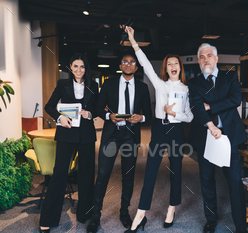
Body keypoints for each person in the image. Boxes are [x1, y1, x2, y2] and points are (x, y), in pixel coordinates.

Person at [124, 26, 193, 233]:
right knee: (151, 171)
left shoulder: (186, 90)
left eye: (176, 63)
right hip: (159, 129)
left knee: (176, 170)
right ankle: (141, 213)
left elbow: (190, 116)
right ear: (166, 67)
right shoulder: (160, 84)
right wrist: (133, 40)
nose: (173, 66)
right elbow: (144, 63)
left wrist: (174, 114)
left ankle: (172, 208)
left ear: (180, 67)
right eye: (169, 63)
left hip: (176, 130)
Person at [86, 53, 152, 233]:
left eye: (132, 62)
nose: (129, 64)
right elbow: (98, 108)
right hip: (111, 135)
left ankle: (124, 212)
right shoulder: (109, 84)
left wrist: (141, 117)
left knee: (128, 177)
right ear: (120, 66)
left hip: (131, 136)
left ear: (136, 67)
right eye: (125, 62)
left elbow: (149, 113)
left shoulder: (143, 87)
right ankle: (95, 216)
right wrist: (109, 116)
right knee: (103, 176)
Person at [188, 43, 248, 233]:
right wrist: (211, 125)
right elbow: (197, 107)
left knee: (234, 181)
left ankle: (240, 225)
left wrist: (211, 106)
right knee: (207, 181)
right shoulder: (194, 83)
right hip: (206, 137)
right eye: (202, 57)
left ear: (216, 58)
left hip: (230, 137)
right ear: (198, 61)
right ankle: (211, 220)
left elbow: (235, 100)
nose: (205, 59)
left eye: (209, 55)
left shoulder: (230, 76)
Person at [39, 53, 98, 233]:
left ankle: (84, 213)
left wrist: (90, 114)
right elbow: (49, 106)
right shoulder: (62, 85)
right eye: (75, 66)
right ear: (70, 68)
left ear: (85, 68)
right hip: (66, 133)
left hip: (87, 134)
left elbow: (96, 108)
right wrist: (60, 117)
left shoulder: (93, 85)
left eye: (82, 67)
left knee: (87, 175)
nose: (79, 70)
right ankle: (48, 218)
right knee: (59, 174)